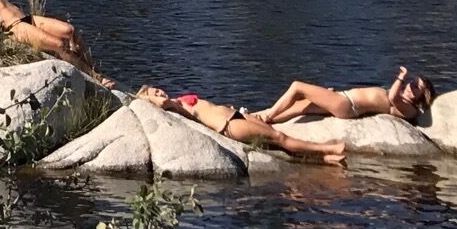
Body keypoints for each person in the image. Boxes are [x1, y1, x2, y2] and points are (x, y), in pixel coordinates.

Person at [136, 86, 348, 163]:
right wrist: (147, 97)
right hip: (229, 125)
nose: (160, 92)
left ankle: (324, 159)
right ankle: (327, 148)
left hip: (236, 114)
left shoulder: (178, 100)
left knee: (275, 138)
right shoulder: (171, 106)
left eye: (158, 89)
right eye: (155, 93)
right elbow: (161, 103)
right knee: (280, 139)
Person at [255, 68, 435, 126]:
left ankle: (268, 115)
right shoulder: (405, 102)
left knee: (297, 86)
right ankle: (268, 121)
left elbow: (394, 97)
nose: (409, 85)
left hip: (346, 104)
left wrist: (400, 77)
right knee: (301, 107)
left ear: (422, 94)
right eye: (410, 82)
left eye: (414, 85)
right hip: (343, 100)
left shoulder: (409, 109)